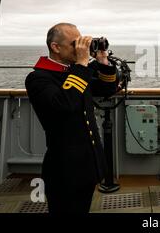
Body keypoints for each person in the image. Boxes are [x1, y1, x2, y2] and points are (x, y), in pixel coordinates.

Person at [25, 22, 120, 213]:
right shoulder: (39, 78)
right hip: (65, 168)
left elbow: (107, 89)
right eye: (75, 44)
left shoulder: (73, 72)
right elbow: (64, 105)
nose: (80, 48)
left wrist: (102, 60)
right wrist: (83, 63)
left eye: (82, 43)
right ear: (55, 47)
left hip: (88, 163)